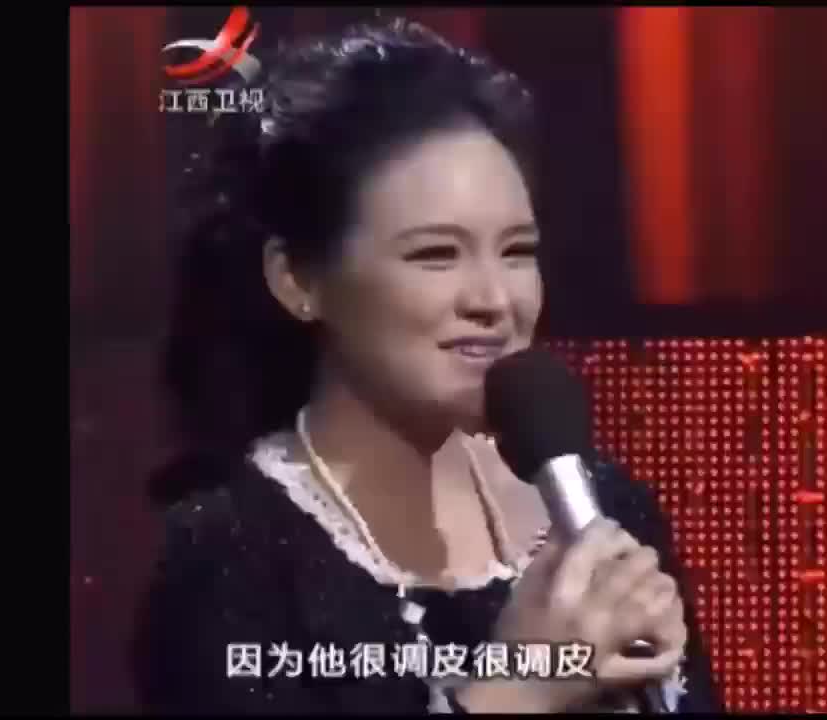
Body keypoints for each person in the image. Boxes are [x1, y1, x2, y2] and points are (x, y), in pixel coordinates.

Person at [131, 17, 721, 715]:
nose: (494, 300)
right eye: (436, 255)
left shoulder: (602, 509)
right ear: (298, 278)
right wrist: (519, 687)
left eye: (517, 251)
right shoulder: (229, 559)